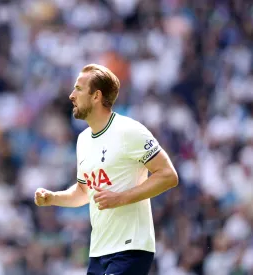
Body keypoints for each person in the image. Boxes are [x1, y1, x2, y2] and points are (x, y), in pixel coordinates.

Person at [34, 64, 179, 275]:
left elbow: (168, 176)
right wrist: (53, 197)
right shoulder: (83, 140)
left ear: (96, 96)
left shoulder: (128, 131)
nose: (71, 95)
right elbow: (84, 193)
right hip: (99, 251)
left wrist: (120, 198)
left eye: (79, 89)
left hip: (130, 248)